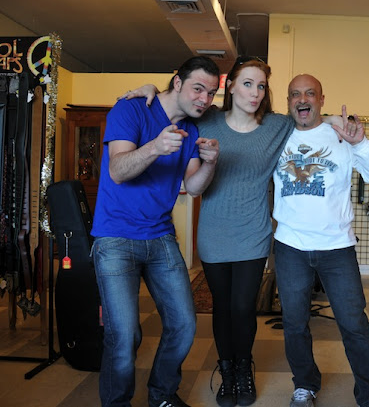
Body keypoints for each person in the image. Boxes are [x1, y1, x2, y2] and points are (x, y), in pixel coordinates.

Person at [122, 56, 294, 407]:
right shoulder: (207, 119)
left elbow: (311, 119)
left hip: (253, 232)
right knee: (222, 307)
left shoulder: (277, 126)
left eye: (261, 86)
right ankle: (226, 371)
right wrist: (151, 88)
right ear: (230, 87)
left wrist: (341, 121)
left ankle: (243, 369)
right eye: (247, 83)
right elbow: (176, 101)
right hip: (214, 232)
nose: (255, 92)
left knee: (243, 307)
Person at [90, 55, 221, 407]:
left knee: (184, 325)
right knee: (124, 335)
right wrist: (155, 147)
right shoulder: (130, 109)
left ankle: (162, 395)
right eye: (198, 89)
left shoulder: (191, 128)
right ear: (177, 82)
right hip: (115, 238)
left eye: (211, 93)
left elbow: (194, 187)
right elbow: (118, 170)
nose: (204, 99)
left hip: (161, 237)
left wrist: (210, 164)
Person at [272, 74, 369, 407]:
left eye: (310, 93)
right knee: (294, 324)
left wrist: (360, 143)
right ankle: (304, 385)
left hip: (337, 247)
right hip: (290, 245)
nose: (302, 99)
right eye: (295, 94)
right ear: (288, 101)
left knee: (354, 324)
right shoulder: (277, 135)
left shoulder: (342, 133)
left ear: (321, 99)